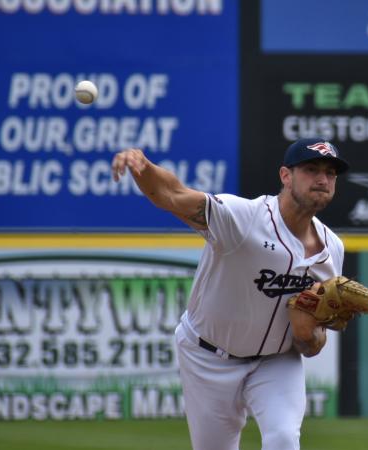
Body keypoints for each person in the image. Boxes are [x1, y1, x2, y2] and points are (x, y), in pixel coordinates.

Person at [112, 137, 349, 450]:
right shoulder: (244, 218)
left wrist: (311, 338)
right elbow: (172, 194)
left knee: (283, 438)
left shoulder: (332, 248)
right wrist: (144, 167)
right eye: (311, 169)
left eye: (331, 173)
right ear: (285, 176)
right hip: (208, 356)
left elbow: (314, 338)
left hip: (276, 361)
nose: (322, 178)